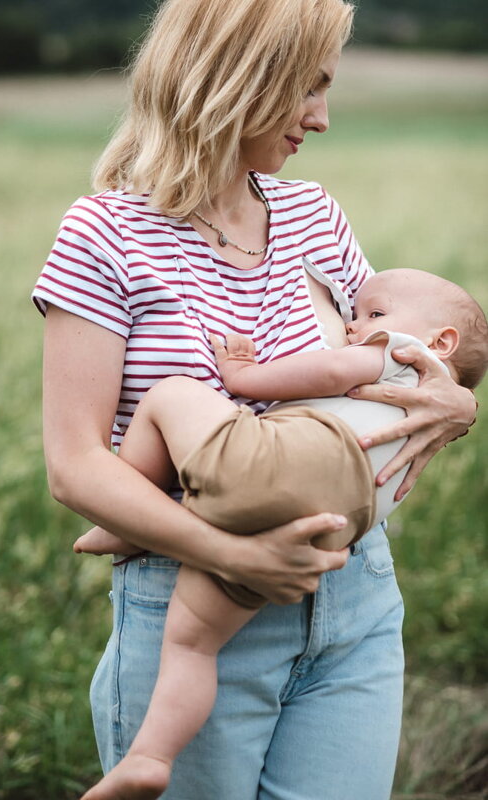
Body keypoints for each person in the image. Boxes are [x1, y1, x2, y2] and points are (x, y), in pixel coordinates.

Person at [33, 1, 477, 798]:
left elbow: (387, 369)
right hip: (195, 600)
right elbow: (73, 468)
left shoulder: (313, 215)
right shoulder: (105, 234)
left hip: (355, 598)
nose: (322, 118)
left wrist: (457, 408)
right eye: (307, 89)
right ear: (236, 82)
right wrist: (234, 556)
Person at [74, 267, 487, 799]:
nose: (352, 326)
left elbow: (328, 368)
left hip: (274, 465)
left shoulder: (401, 352)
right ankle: (151, 758)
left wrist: (243, 376)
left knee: (171, 395)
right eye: (355, 314)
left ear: (442, 342)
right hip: (321, 534)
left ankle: (129, 523)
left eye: (371, 316)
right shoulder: (423, 394)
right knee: (196, 646)